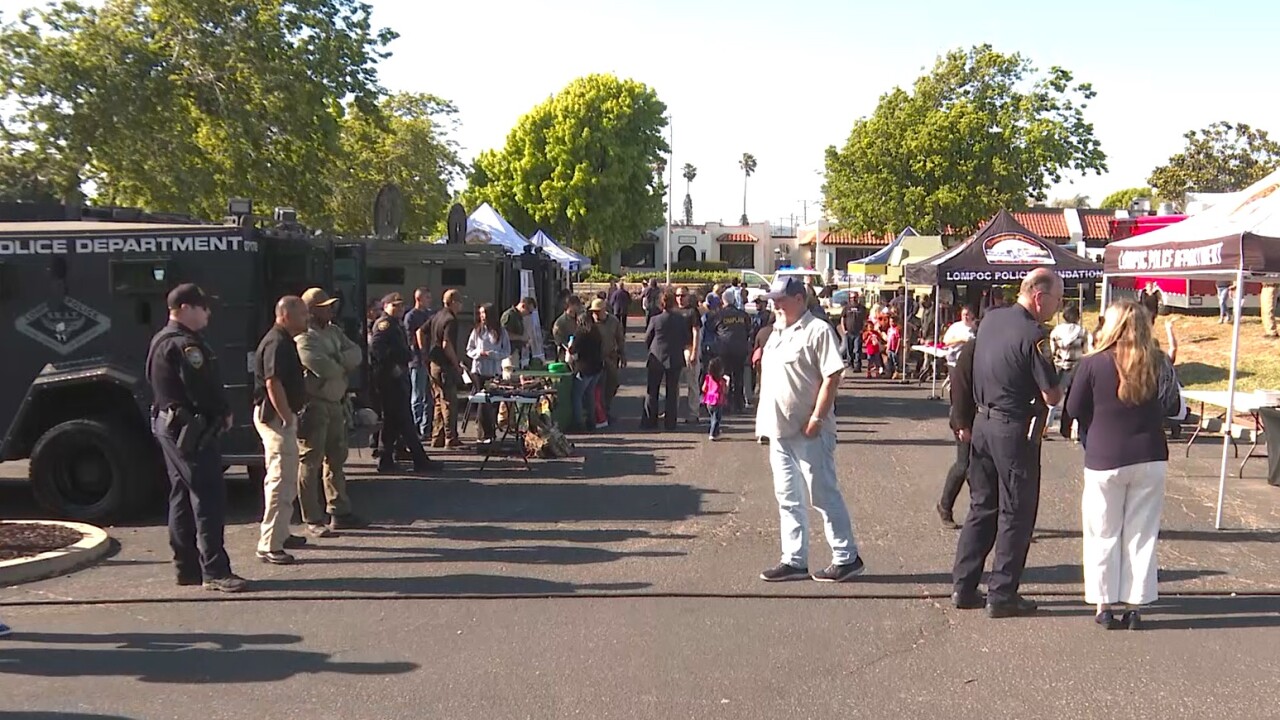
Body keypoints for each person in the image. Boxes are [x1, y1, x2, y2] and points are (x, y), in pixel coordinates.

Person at [952, 268, 1063, 618]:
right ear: (1039, 297)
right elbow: (1052, 395)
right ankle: (1002, 593)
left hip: (983, 423)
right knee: (1016, 511)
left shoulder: (991, 320)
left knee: (982, 506)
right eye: (1057, 301)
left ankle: (963, 585)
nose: (1057, 309)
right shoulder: (1035, 335)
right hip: (1014, 429)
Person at [1065, 299, 1170, 630]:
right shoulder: (1158, 361)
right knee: (1141, 534)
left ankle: (1104, 603)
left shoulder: (1093, 363)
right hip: (1150, 455)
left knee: (1103, 533)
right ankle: (1136, 604)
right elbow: (1169, 404)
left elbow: (1073, 406)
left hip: (1105, 456)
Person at [756, 276, 865, 583]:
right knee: (787, 497)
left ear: (799, 299)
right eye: (773, 299)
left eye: (781, 299)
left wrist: (817, 417)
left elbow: (832, 375)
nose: (775, 304)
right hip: (779, 429)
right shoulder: (777, 332)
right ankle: (794, 559)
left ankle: (846, 557)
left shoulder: (817, 330)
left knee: (823, 494)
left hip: (809, 430)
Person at [146, 283, 245, 592]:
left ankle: (186, 568)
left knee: (180, 495)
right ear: (185, 308)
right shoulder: (185, 346)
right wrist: (223, 411)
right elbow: (201, 389)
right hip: (190, 429)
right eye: (203, 307)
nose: (208, 313)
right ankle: (215, 570)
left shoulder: (161, 340)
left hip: (170, 424)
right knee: (208, 496)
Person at [295, 288, 366, 537]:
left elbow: (356, 353)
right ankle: (312, 518)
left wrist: (337, 358)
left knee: (336, 458)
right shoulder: (304, 337)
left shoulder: (334, 331)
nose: (330, 310)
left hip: (336, 402)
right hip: (314, 404)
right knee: (310, 461)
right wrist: (339, 361)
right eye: (324, 307)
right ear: (311, 310)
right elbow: (323, 367)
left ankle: (339, 510)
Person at [252, 296, 311, 566]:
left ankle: (282, 532)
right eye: (303, 314)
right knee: (281, 481)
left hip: (281, 417)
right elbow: (272, 382)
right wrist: (287, 417)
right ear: (285, 315)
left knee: (288, 477)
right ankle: (270, 545)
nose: (307, 318)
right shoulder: (277, 342)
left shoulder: (284, 340)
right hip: (276, 418)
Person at [370, 292, 435, 472]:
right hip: (389, 379)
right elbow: (377, 348)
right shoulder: (384, 325)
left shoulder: (394, 324)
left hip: (397, 378)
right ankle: (419, 460)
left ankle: (387, 460)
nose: (398, 309)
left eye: (400, 305)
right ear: (386, 306)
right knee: (404, 420)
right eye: (394, 305)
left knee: (392, 422)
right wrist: (392, 366)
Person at [939, 337, 977, 529]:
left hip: (983, 418)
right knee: (964, 465)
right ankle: (945, 506)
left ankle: (983, 514)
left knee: (979, 469)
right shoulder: (971, 351)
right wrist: (961, 424)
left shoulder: (993, 348)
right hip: (964, 417)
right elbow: (959, 391)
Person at [643, 290, 690, 430]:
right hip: (674, 357)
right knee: (672, 391)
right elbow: (686, 338)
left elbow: (647, 338)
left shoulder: (655, 319)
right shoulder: (680, 319)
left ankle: (651, 421)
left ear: (661, 304)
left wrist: (651, 349)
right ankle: (670, 423)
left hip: (657, 356)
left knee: (652, 390)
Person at [465, 303, 511, 442]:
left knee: (493, 402)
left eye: (484, 313)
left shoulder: (501, 332)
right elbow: (469, 349)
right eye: (480, 313)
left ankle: (491, 431)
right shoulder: (477, 331)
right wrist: (479, 353)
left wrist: (493, 354)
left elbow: (506, 351)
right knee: (482, 402)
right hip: (478, 370)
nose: (482, 317)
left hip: (493, 371)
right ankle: (483, 434)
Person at [427, 289, 465, 448]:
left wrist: (425, 354)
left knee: (438, 402)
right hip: (444, 367)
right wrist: (456, 364)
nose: (462, 305)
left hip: (433, 364)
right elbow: (446, 344)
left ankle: (437, 437)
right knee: (449, 402)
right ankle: (451, 438)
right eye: (460, 301)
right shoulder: (450, 319)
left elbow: (419, 332)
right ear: (454, 302)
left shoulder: (437, 315)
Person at [1047, 304, 1088, 436]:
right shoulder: (1082, 332)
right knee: (1073, 399)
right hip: (1076, 368)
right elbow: (1087, 351)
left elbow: (1052, 351)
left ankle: (1045, 426)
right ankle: (1067, 429)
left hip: (1059, 366)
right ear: (1077, 316)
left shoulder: (1056, 331)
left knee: (1053, 398)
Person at [402, 287, 435, 439]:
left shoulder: (430, 315)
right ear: (419, 299)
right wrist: (421, 354)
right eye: (427, 297)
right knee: (417, 395)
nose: (430, 300)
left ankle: (425, 428)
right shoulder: (411, 316)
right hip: (417, 360)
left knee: (429, 396)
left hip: (430, 360)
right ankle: (414, 428)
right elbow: (411, 340)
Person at [711, 292, 751, 412]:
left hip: (724, 350)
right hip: (740, 350)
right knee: (738, 377)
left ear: (723, 301)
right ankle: (738, 404)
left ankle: (725, 402)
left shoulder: (719, 315)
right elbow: (748, 329)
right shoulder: (743, 315)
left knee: (725, 375)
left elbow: (712, 329)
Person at [589, 298, 626, 418]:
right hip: (594, 358)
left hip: (610, 357)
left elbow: (620, 338)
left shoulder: (613, 321)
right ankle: (598, 411)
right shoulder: (588, 321)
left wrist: (623, 354)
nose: (595, 314)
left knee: (612, 383)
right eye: (594, 311)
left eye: (598, 311)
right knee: (595, 386)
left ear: (604, 310)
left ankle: (607, 407)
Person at [569, 312, 605, 431]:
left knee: (577, 395)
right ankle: (591, 421)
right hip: (597, 368)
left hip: (584, 368)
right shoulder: (596, 332)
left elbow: (572, 350)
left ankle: (579, 423)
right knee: (590, 394)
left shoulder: (580, 334)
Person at [674, 287, 702, 423]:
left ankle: (693, 413)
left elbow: (696, 332)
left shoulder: (692, 312)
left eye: (683, 295)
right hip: (675, 350)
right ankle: (673, 410)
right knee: (674, 383)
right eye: (678, 295)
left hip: (689, 348)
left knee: (692, 383)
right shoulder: (674, 311)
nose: (680, 298)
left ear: (687, 296)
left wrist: (695, 352)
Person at [501, 298, 533, 371]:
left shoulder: (518, 317)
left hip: (515, 352)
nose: (528, 314)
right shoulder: (509, 315)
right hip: (508, 353)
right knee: (509, 376)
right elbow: (504, 335)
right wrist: (521, 338)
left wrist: (524, 342)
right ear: (523, 306)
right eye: (529, 312)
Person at [702, 356, 729, 441]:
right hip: (717, 400)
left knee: (712, 417)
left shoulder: (708, 378)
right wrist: (728, 381)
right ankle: (712, 433)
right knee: (717, 418)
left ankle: (716, 431)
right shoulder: (721, 380)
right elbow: (725, 391)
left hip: (709, 400)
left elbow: (703, 388)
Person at [841, 293, 867, 372]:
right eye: (852, 297)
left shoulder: (862, 308)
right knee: (849, 349)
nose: (853, 299)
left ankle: (857, 366)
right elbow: (842, 319)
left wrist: (863, 329)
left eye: (855, 297)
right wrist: (844, 329)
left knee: (857, 349)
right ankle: (850, 363)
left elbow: (865, 319)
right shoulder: (846, 308)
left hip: (858, 332)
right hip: (848, 332)